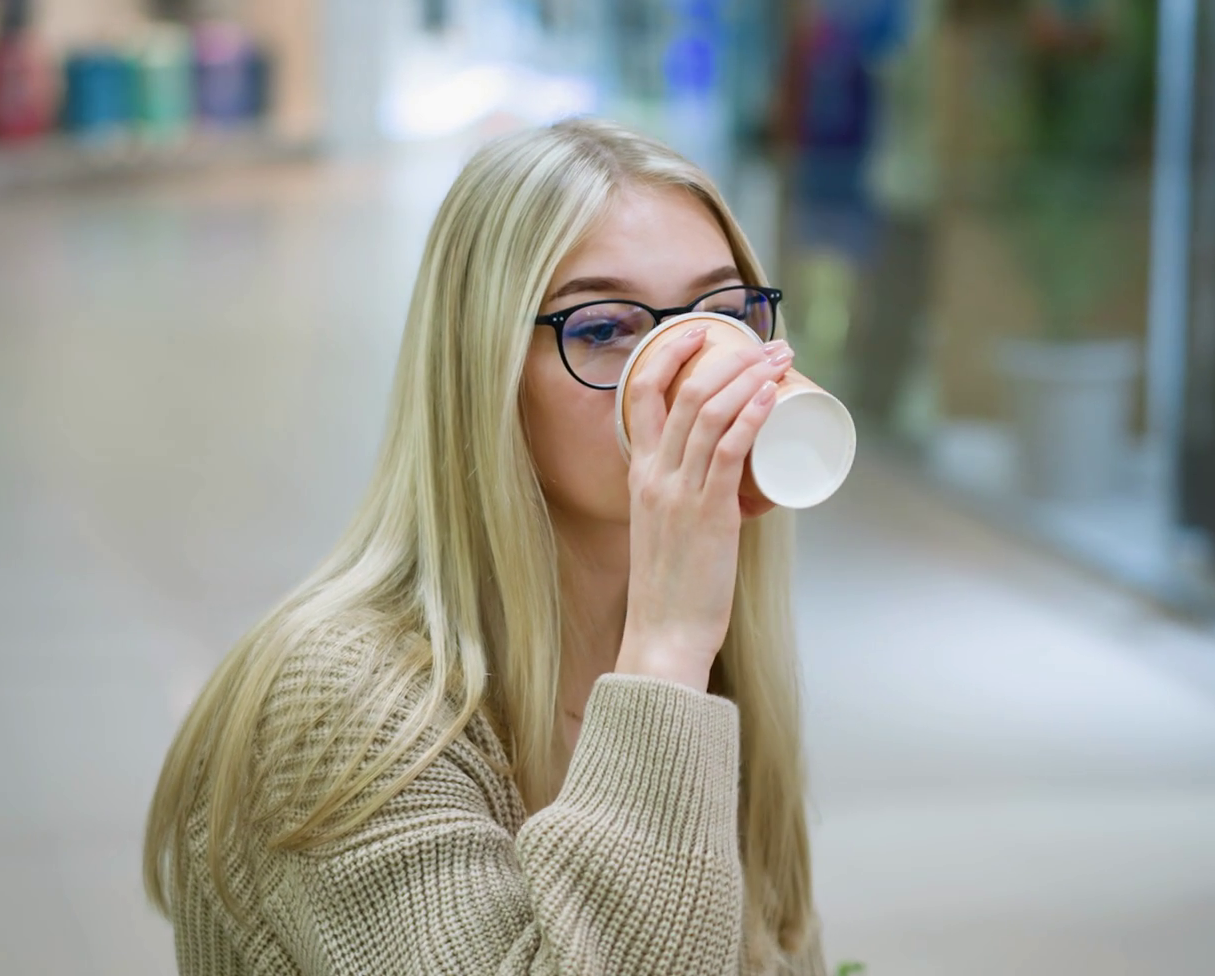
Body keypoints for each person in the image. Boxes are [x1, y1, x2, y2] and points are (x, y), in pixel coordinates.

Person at [143, 119, 825, 974]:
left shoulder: (719, 675)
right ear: (486, 369)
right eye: (604, 329)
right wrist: (668, 648)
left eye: (722, 317)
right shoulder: (341, 709)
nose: (693, 381)